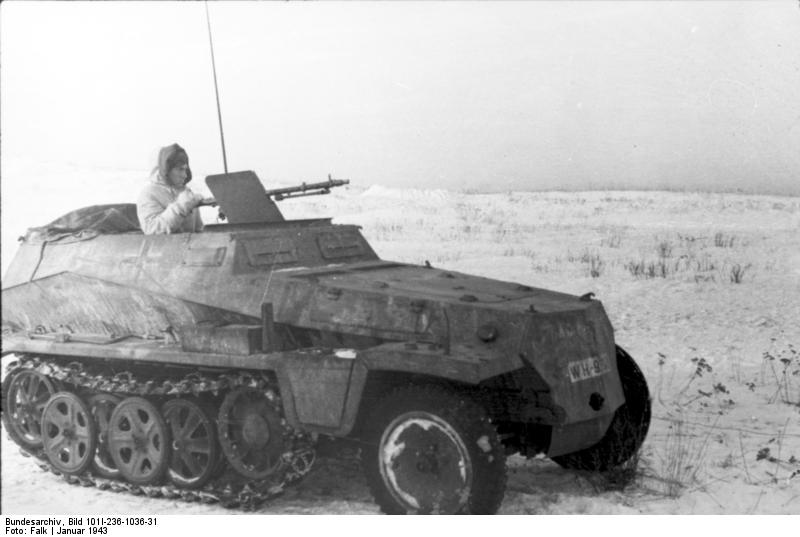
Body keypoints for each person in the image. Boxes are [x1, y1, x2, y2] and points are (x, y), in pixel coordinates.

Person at [137, 143, 205, 234]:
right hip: (162, 248)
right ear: (166, 170)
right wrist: (181, 207)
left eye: (185, 169)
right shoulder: (148, 194)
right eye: (180, 169)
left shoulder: (185, 192)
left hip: (188, 247)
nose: (184, 175)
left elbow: (198, 231)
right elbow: (152, 229)